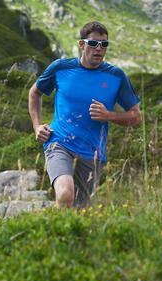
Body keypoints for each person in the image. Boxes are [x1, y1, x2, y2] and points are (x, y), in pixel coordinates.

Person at [28, 21, 142, 208]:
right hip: (59, 142)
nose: (99, 49)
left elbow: (136, 117)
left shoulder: (116, 76)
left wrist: (109, 116)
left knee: (81, 212)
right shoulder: (61, 68)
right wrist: (37, 126)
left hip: (92, 152)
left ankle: (60, 233)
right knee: (65, 194)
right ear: (82, 44)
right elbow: (35, 92)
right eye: (93, 43)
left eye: (104, 44)